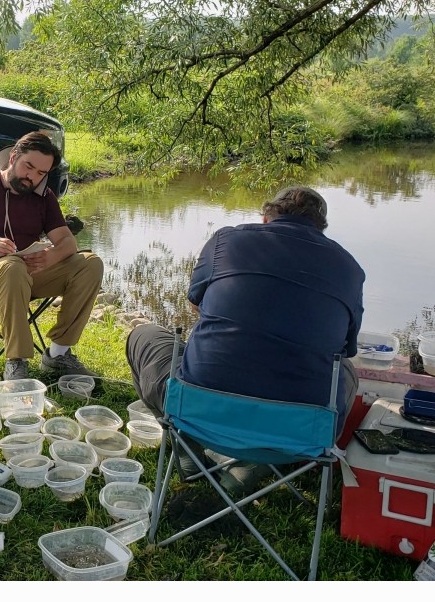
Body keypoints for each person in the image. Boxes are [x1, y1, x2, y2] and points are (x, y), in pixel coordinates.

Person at [126, 186, 365, 498]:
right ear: (320, 228)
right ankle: (255, 466)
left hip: (199, 411)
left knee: (143, 335)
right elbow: (346, 347)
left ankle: (187, 446)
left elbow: (196, 302)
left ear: (266, 218)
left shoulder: (226, 240)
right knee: (346, 371)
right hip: (299, 432)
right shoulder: (349, 267)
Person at [0, 131, 104, 381]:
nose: (32, 177)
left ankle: (58, 354)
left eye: (41, 173)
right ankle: (16, 360)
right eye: (28, 166)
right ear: (13, 157)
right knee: (11, 266)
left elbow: (67, 241)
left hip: (30, 271)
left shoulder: (43, 197)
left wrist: (52, 256)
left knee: (90, 264)